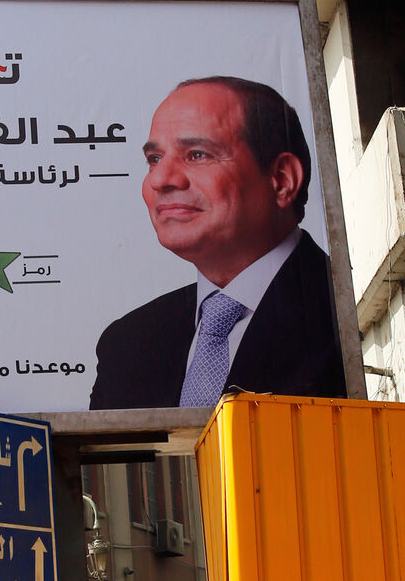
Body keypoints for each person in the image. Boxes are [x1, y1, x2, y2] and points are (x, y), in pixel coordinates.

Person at [89, 76, 346, 410]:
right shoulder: (127, 343)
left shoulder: (347, 314)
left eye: (197, 154)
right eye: (154, 158)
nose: (160, 180)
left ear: (282, 179)